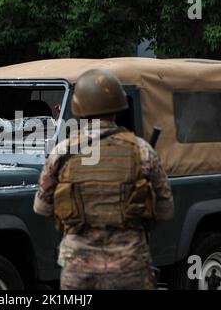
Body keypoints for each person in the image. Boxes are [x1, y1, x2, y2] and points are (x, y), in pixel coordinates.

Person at [33, 69, 174, 290]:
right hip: (130, 266)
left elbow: (42, 208)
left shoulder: (62, 152)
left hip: (79, 268)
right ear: (119, 107)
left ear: (79, 109)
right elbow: (165, 210)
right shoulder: (141, 150)